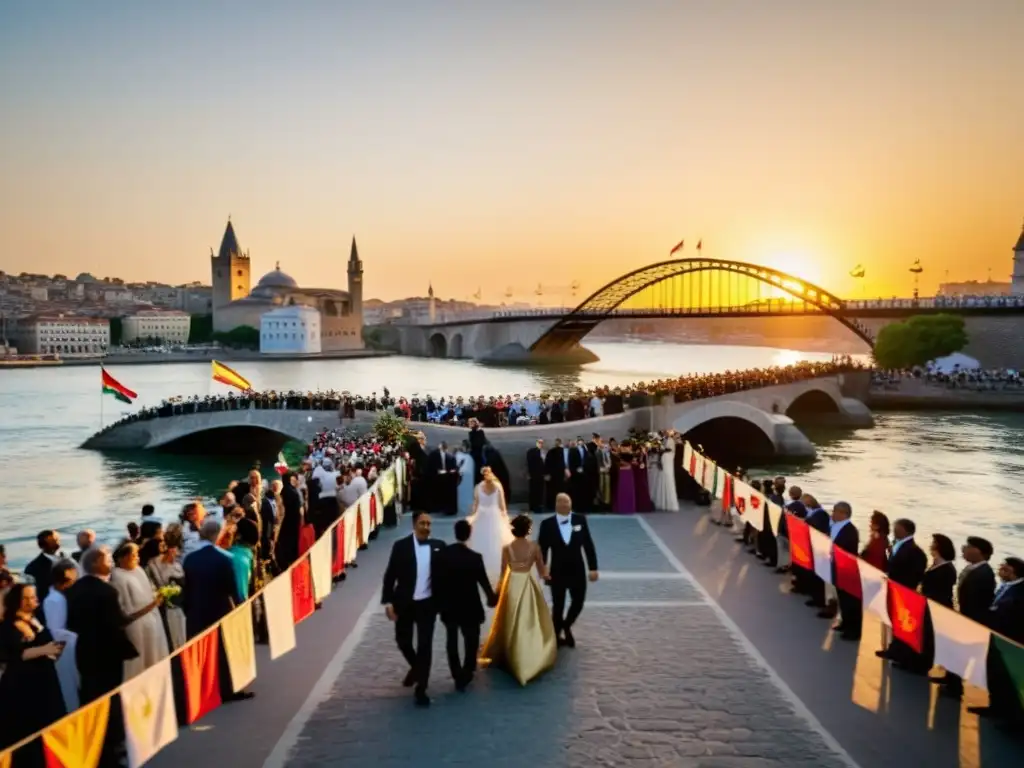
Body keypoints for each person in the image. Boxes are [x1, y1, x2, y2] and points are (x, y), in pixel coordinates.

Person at [481, 514, 558, 686]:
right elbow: (542, 570)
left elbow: (502, 575)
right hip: (528, 584)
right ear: (528, 530)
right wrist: (548, 576)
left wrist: (497, 592)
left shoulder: (507, 548)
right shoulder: (535, 547)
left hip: (513, 584)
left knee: (510, 619)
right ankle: (531, 654)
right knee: (531, 620)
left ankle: (511, 653)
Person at [381, 510, 446, 707]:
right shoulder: (400, 546)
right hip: (405, 603)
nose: (426, 527)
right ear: (414, 525)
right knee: (403, 641)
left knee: (425, 646)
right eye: (422, 523)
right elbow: (390, 575)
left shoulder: (439, 547)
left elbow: (446, 577)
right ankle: (417, 668)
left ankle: (422, 689)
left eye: (428, 524)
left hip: (428, 605)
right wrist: (388, 602)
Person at [66, 546, 139, 703]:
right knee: (110, 695)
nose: (111, 564)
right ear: (96, 562)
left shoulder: (74, 589)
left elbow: (71, 623)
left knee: (90, 693)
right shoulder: (107, 591)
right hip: (107, 654)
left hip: (84, 651)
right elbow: (117, 623)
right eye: (108, 560)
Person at [0, 584, 67, 755]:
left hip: (45, 679)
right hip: (23, 684)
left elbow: (48, 639)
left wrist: (36, 625)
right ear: (17, 601)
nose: (32, 601)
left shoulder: (35, 619)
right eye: (27, 597)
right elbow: (16, 654)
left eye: (33, 597)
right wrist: (44, 650)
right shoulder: (8, 626)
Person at [434, 519, 498, 691]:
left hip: (450, 607)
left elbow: (436, 582)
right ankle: (468, 670)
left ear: (455, 533)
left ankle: (456, 673)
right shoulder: (475, 558)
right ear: (469, 534)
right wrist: (493, 598)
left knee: (452, 640)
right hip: (471, 607)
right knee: (472, 641)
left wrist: (437, 603)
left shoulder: (442, 555)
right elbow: (484, 582)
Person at [538, 493, 599, 648]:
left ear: (571, 503)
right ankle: (556, 636)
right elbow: (542, 549)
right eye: (560, 501)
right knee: (558, 606)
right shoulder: (547, 524)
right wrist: (543, 568)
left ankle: (567, 625)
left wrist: (593, 568)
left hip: (577, 569)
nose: (563, 504)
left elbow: (588, 544)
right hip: (557, 571)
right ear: (556, 505)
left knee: (578, 601)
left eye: (566, 501)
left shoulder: (580, 520)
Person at [111, 540, 168, 680]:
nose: (138, 558)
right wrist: (153, 604)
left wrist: (156, 598)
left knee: (156, 656)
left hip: (152, 619)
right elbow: (126, 610)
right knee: (140, 662)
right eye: (134, 555)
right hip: (137, 625)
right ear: (123, 558)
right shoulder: (118, 577)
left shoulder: (139, 570)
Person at [182, 519, 241, 639]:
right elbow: (232, 589)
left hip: (196, 614)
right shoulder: (225, 559)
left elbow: (186, 590)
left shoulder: (189, 559)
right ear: (217, 534)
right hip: (218, 614)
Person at [41, 559, 80, 713]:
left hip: (69, 645)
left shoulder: (61, 596)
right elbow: (55, 629)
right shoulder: (53, 601)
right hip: (64, 649)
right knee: (68, 685)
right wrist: (76, 636)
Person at [468, 466, 513, 583]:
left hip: (486, 516)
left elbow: (476, 505)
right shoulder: (495, 487)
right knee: (491, 540)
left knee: (486, 540)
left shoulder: (480, 487)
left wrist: (472, 516)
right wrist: (505, 518)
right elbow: (502, 506)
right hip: (490, 515)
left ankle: (485, 565)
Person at [828, 502, 861, 641]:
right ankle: (845, 622)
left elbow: (847, 550)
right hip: (837, 567)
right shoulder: (834, 526)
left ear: (843, 514)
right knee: (842, 598)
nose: (833, 513)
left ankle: (854, 630)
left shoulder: (850, 530)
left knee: (850, 600)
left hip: (846, 569)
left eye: (835, 511)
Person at [648, 432, 679, 512]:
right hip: (662, 460)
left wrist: (661, 450)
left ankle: (669, 503)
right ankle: (661, 502)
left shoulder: (670, 440)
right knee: (661, 479)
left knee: (668, 479)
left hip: (667, 461)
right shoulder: (662, 440)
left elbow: (670, 450)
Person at [455, 441, 477, 516]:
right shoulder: (467, 457)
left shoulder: (467, 457)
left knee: (465, 495)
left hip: (465, 479)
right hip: (464, 479)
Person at [525, 439, 546, 514]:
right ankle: (535, 506)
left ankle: (536, 506)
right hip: (535, 474)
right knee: (535, 491)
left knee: (538, 491)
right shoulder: (533, 452)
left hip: (539, 475)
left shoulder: (541, 452)